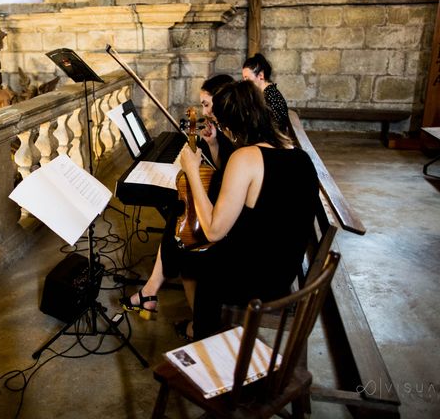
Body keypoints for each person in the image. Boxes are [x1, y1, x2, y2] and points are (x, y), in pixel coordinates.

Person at [178, 80, 319, 340]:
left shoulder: (246, 158)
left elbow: (214, 230)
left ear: (232, 125)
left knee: (189, 254)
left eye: (222, 125)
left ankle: (204, 335)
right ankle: (202, 325)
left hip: (260, 280)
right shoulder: (298, 155)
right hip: (285, 266)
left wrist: (192, 172)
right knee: (199, 250)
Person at [119, 74, 235, 340]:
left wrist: (194, 171)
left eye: (207, 105)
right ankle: (151, 290)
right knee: (178, 212)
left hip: (230, 228)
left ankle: (198, 326)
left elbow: (226, 176)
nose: (204, 111)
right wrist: (214, 143)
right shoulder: (226, 132)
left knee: (183, 236)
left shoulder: (238, 139)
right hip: (228, 212)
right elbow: (221, 166)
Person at [242, 53, 290, 132]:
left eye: (247, 78)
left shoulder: (271, 97)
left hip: (274, 142)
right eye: (244, 78)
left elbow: (273, 129)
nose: (244, 82)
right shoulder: (268, 93)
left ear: (261, 75)